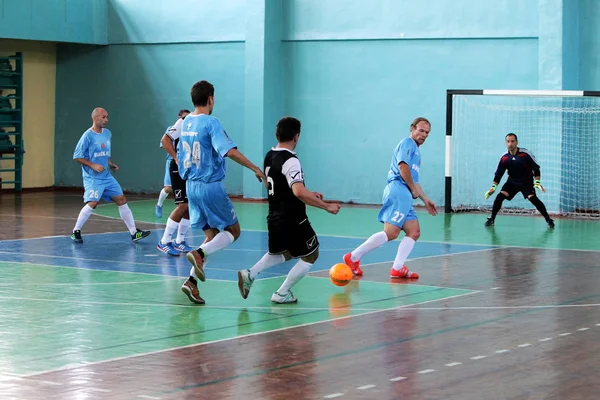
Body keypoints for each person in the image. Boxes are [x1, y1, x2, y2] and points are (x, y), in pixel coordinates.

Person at [177, 80, 267, 304]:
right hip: (210, 186)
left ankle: (191, 282)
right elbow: (229, 151)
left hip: (191, 186)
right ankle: (198, 254)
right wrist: (255, 168)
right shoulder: (211, 123)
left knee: (211, 237)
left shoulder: (185, 122)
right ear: (210, 99)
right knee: (233, 231)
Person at [236, 117, 341, 304]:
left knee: (285, 252)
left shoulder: (270, 155)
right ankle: (282, 293)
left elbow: (284, 185)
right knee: (311, 254)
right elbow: (298, 191)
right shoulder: (291, 160)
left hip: (274, 216)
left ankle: (250, 274)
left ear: (277, 134)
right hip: (293, 218)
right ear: (296, 136)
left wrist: (310, 193)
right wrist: (326, 206)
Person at [342, 117, 437, 278]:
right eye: (421, 130)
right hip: (398, 190)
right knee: (391, 232)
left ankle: (397, 268)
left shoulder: (417, 152)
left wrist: (425, 198)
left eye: (427, 133)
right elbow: (402, 167)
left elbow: (414, 180)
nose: (424, 135)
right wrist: (412, 189)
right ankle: (353, 257)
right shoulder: (407, 143)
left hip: (405, 193)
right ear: (412, 128)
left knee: (414, 231)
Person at [71, 108, 151, 243]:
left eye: (107, 117)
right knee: (93, 203)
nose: (106, 120)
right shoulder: (87, 136)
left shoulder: (107, 133)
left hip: (106, 176)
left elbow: (105, 152)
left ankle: (134, 233)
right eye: (103, 117)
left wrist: (110, 163)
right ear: (95, 118)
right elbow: (77, 157)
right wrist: (93, 165)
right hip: (93, 177)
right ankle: (75, 231)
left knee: (121, 199)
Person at [483, 133, 554, 228]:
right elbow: (499, 174)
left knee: (533, 199)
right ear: (506, 143)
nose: (510, 144)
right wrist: (493, 187)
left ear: (516, 142)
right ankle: (492, 219)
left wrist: (537, 182)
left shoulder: (525, 154)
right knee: (499, 197)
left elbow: (536, 168)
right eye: (508, 141)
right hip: (512, 182)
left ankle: (548, 220)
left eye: (512, 141)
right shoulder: (504, 157)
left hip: (526, 182)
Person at [157, 109, 195, 256]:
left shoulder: (199, 124)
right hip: (178, 168)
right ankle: (164, 241)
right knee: (183, 205)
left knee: (189, 206)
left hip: (189, 168)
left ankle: (180, 241)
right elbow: (164, 140)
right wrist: (176, 158)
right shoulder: (183, 122)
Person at [155, 111, 189, 217]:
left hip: (186, 161)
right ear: (179, 117)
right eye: (184, 117)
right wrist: (175, 155)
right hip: (172, 160)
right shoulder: (172, 129)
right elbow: (163, 143)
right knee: (169, 188)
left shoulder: (190, 128)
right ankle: (159, 205)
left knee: (186, 187)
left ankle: (184, 211)